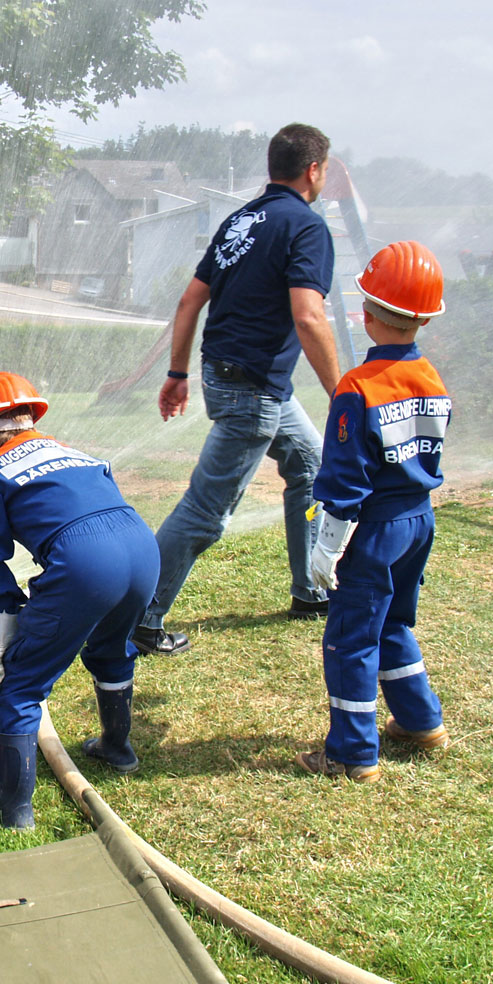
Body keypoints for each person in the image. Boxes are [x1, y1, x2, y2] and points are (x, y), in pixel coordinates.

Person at [116, 122, 343, 657]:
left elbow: (189, 301)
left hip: (239, 379)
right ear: (313, 170)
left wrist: (176, 374)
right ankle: (140, 620)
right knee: (204, 512)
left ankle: (309, 591)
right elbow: (309, 318)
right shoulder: (306, 228)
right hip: (253, 391)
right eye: (325, 170)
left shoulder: (240, 220)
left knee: (309, 463)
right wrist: (345, 394)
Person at [0, 371, 159, 829]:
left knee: (21, 687)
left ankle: (12, 812)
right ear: (31, 421)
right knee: (111, 650)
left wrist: (5, 637)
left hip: (88, 562)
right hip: (143, 547)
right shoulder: (74, 452)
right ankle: (117, 748)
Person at [296, 241, 452, 783]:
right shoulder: (432, 377)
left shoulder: (357, 387)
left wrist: (327, 547)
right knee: (393, 623)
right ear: (426, 317)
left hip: (374, 528)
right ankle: (421, 722)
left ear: (365, 312)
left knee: (350, 638)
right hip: (419, 521)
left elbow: (345, 480)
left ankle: (353, 753)